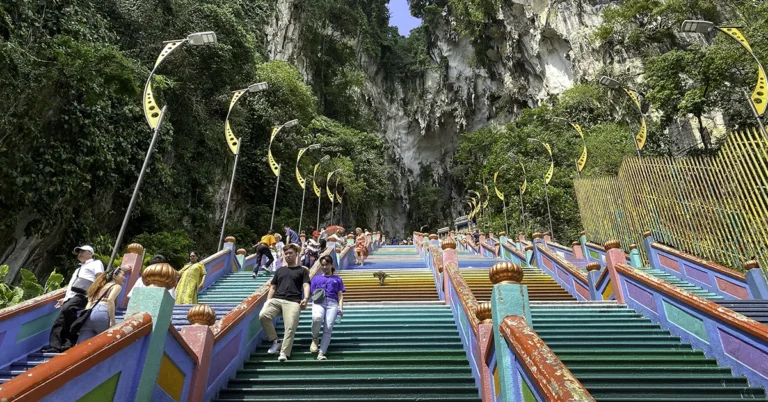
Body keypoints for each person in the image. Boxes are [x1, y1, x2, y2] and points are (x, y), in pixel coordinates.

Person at [43, 245, 104, 353]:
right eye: (78, 251)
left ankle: (70, 339)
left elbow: (100, 278)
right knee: (60, 320)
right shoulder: (79, 268)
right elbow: (72, 285)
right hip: (72, 296)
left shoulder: (96, 263)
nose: (79, 253)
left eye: (82, 251)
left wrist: (97, 294)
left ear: (90, 253)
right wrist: (65, 298)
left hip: (83, 295)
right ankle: (59, 345)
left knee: (67, 311)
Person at [259, 244, 310, 362]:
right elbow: (272, 287)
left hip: (293, 301)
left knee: (290, 327)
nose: (288, 255)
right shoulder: (280, 270)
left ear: (296, 254)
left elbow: (306, 285)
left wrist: (306, 298)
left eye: (290, 253)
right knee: (263, 315)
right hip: (277, 299)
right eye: (286, 253)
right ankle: (275, 341)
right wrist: (268, 301)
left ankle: (284, 352)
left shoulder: (302, 270)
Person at [310, 256, 345, 360]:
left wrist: (341, 308)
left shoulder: (337, 279)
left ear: (331, 265)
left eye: (327, 264)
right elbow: (313, 292)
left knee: (328, 327)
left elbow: (340, 295)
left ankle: (321, 352)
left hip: (332, 303)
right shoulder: (316, 278)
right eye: (323, 265)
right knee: (317, 318)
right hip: (318, 302)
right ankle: (315, 338)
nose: (324, 267)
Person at [77, 267, 125, 343]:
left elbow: (89, 302)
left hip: (89, 313)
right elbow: (110, 300)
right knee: (106, 342)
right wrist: (112, 320)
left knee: (81, 344)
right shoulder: (116, 286)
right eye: (123, 275)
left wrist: (84, 317)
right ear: (115, 276)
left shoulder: (98, 287)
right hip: (101, 312)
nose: (124, 278)